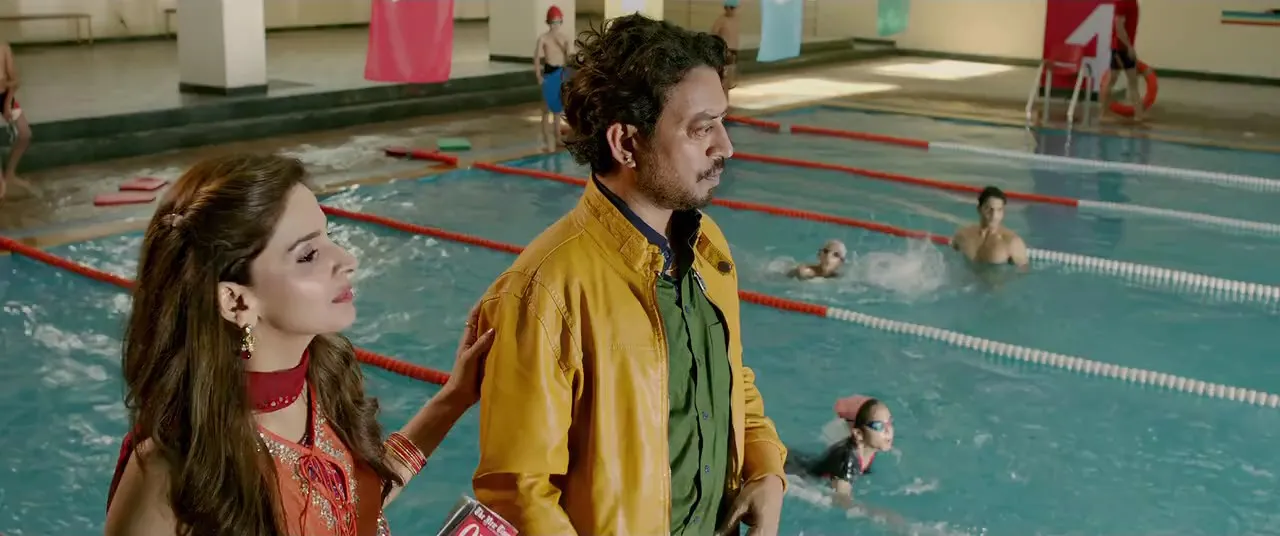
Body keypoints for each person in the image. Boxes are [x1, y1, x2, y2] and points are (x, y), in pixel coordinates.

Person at [471, 14, 788, 536]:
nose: (726, 147)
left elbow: (733, 378)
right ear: (625, 143)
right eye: (702, 128)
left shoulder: (707, 246)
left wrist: (766, 469)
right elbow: (520, 491)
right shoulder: (547, 288)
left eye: (722, 122)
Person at [103, 154, 494, 535]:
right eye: (308, 254)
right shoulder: (169, 473)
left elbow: (354, 504)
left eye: (329, 235)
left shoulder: (323, 380)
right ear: (237, 301)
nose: (347, 259)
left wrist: (455, 397)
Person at [786, 396, 901, 523]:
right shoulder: (847, 460)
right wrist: (880, 515)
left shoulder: (868, 448)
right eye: (879, 426)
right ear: (859, 434)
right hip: (792, 471)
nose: (888, 430)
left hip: (806, 462)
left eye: (889, 422)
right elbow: (841, 501)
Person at [951, 186, 1029, 269]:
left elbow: (1022, 272)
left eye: (999, 210)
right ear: (979, 209)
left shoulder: (1013, 243)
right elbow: (950, 261)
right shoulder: (962, 235)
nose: (994, 215)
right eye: (989, 209)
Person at [535, 5, 572, 153]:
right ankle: (545, 139)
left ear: (561, 22)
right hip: (549, 74)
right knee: (546, 110)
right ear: (548, 23)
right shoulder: (543, 38)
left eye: (557, 22)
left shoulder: (564, 38)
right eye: (552, 22)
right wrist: (538, 75)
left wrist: (569, 75)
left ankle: (557, 137)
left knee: (557, 109)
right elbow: (537, 58)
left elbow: (568, 58)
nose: (554, 26)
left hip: (560, 73)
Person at [1100, 0, 1142, 123]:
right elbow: (1119, 27)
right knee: (1114, 81)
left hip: (1123, 47)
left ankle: (1138, 116)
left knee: (1131, 82)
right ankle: (1104, 113)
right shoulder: (1122, 2)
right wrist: (1129, 47)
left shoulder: (1131, 2)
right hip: (1120, 48)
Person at [0, 40, 31, 200]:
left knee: (25, 134)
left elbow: (15, 80)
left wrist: (7, 104)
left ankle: (10, 174)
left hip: (4, 96)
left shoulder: (3, 48)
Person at [709, 0, 741, 98]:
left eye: (733, 8)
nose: (731, 10)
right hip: (725, 50)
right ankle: (722, 98)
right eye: (730, 8)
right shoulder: (721, 20)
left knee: (730, 79)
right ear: (726, 8)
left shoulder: (736, 20)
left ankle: (726, 99)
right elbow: (713, 35)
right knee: (724, 78)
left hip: (734, 50)